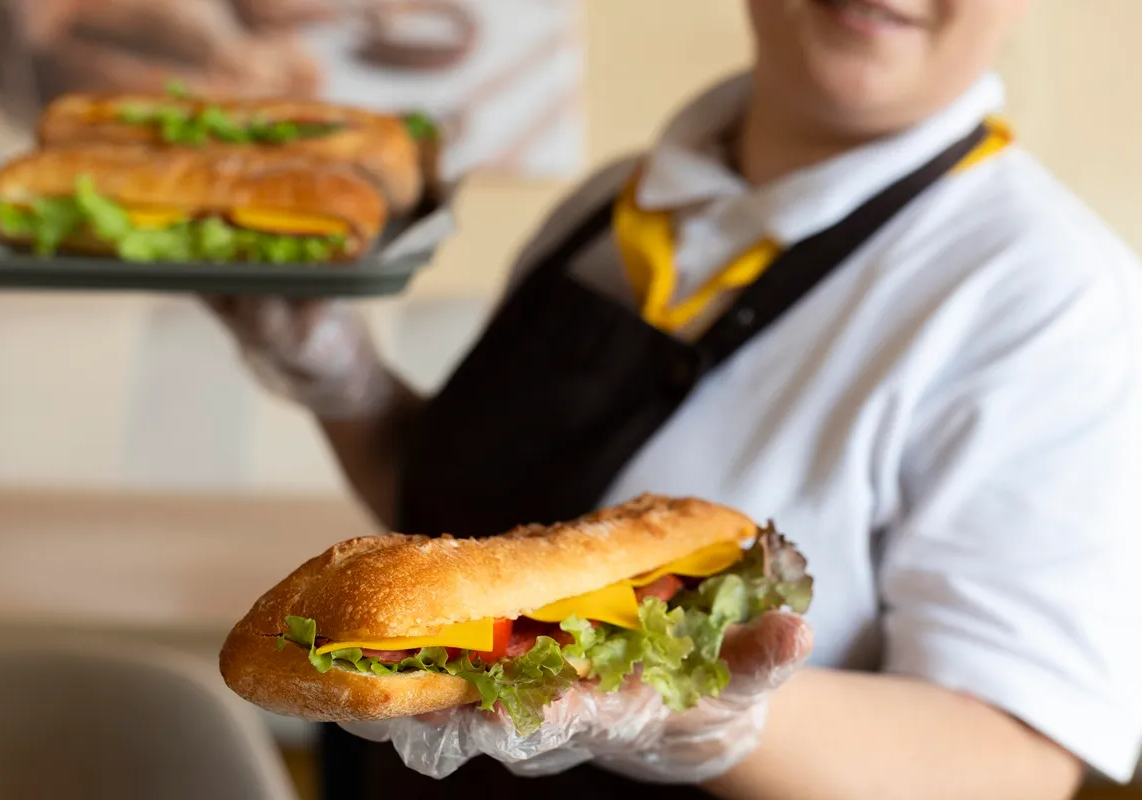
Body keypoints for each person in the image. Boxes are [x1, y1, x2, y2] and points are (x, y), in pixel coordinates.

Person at [212, 1, 1142, 797]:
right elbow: (472, 536)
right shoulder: (603, 210)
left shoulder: (1049, 296)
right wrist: (343, 383)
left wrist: (705, 716)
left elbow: (1015, 763)